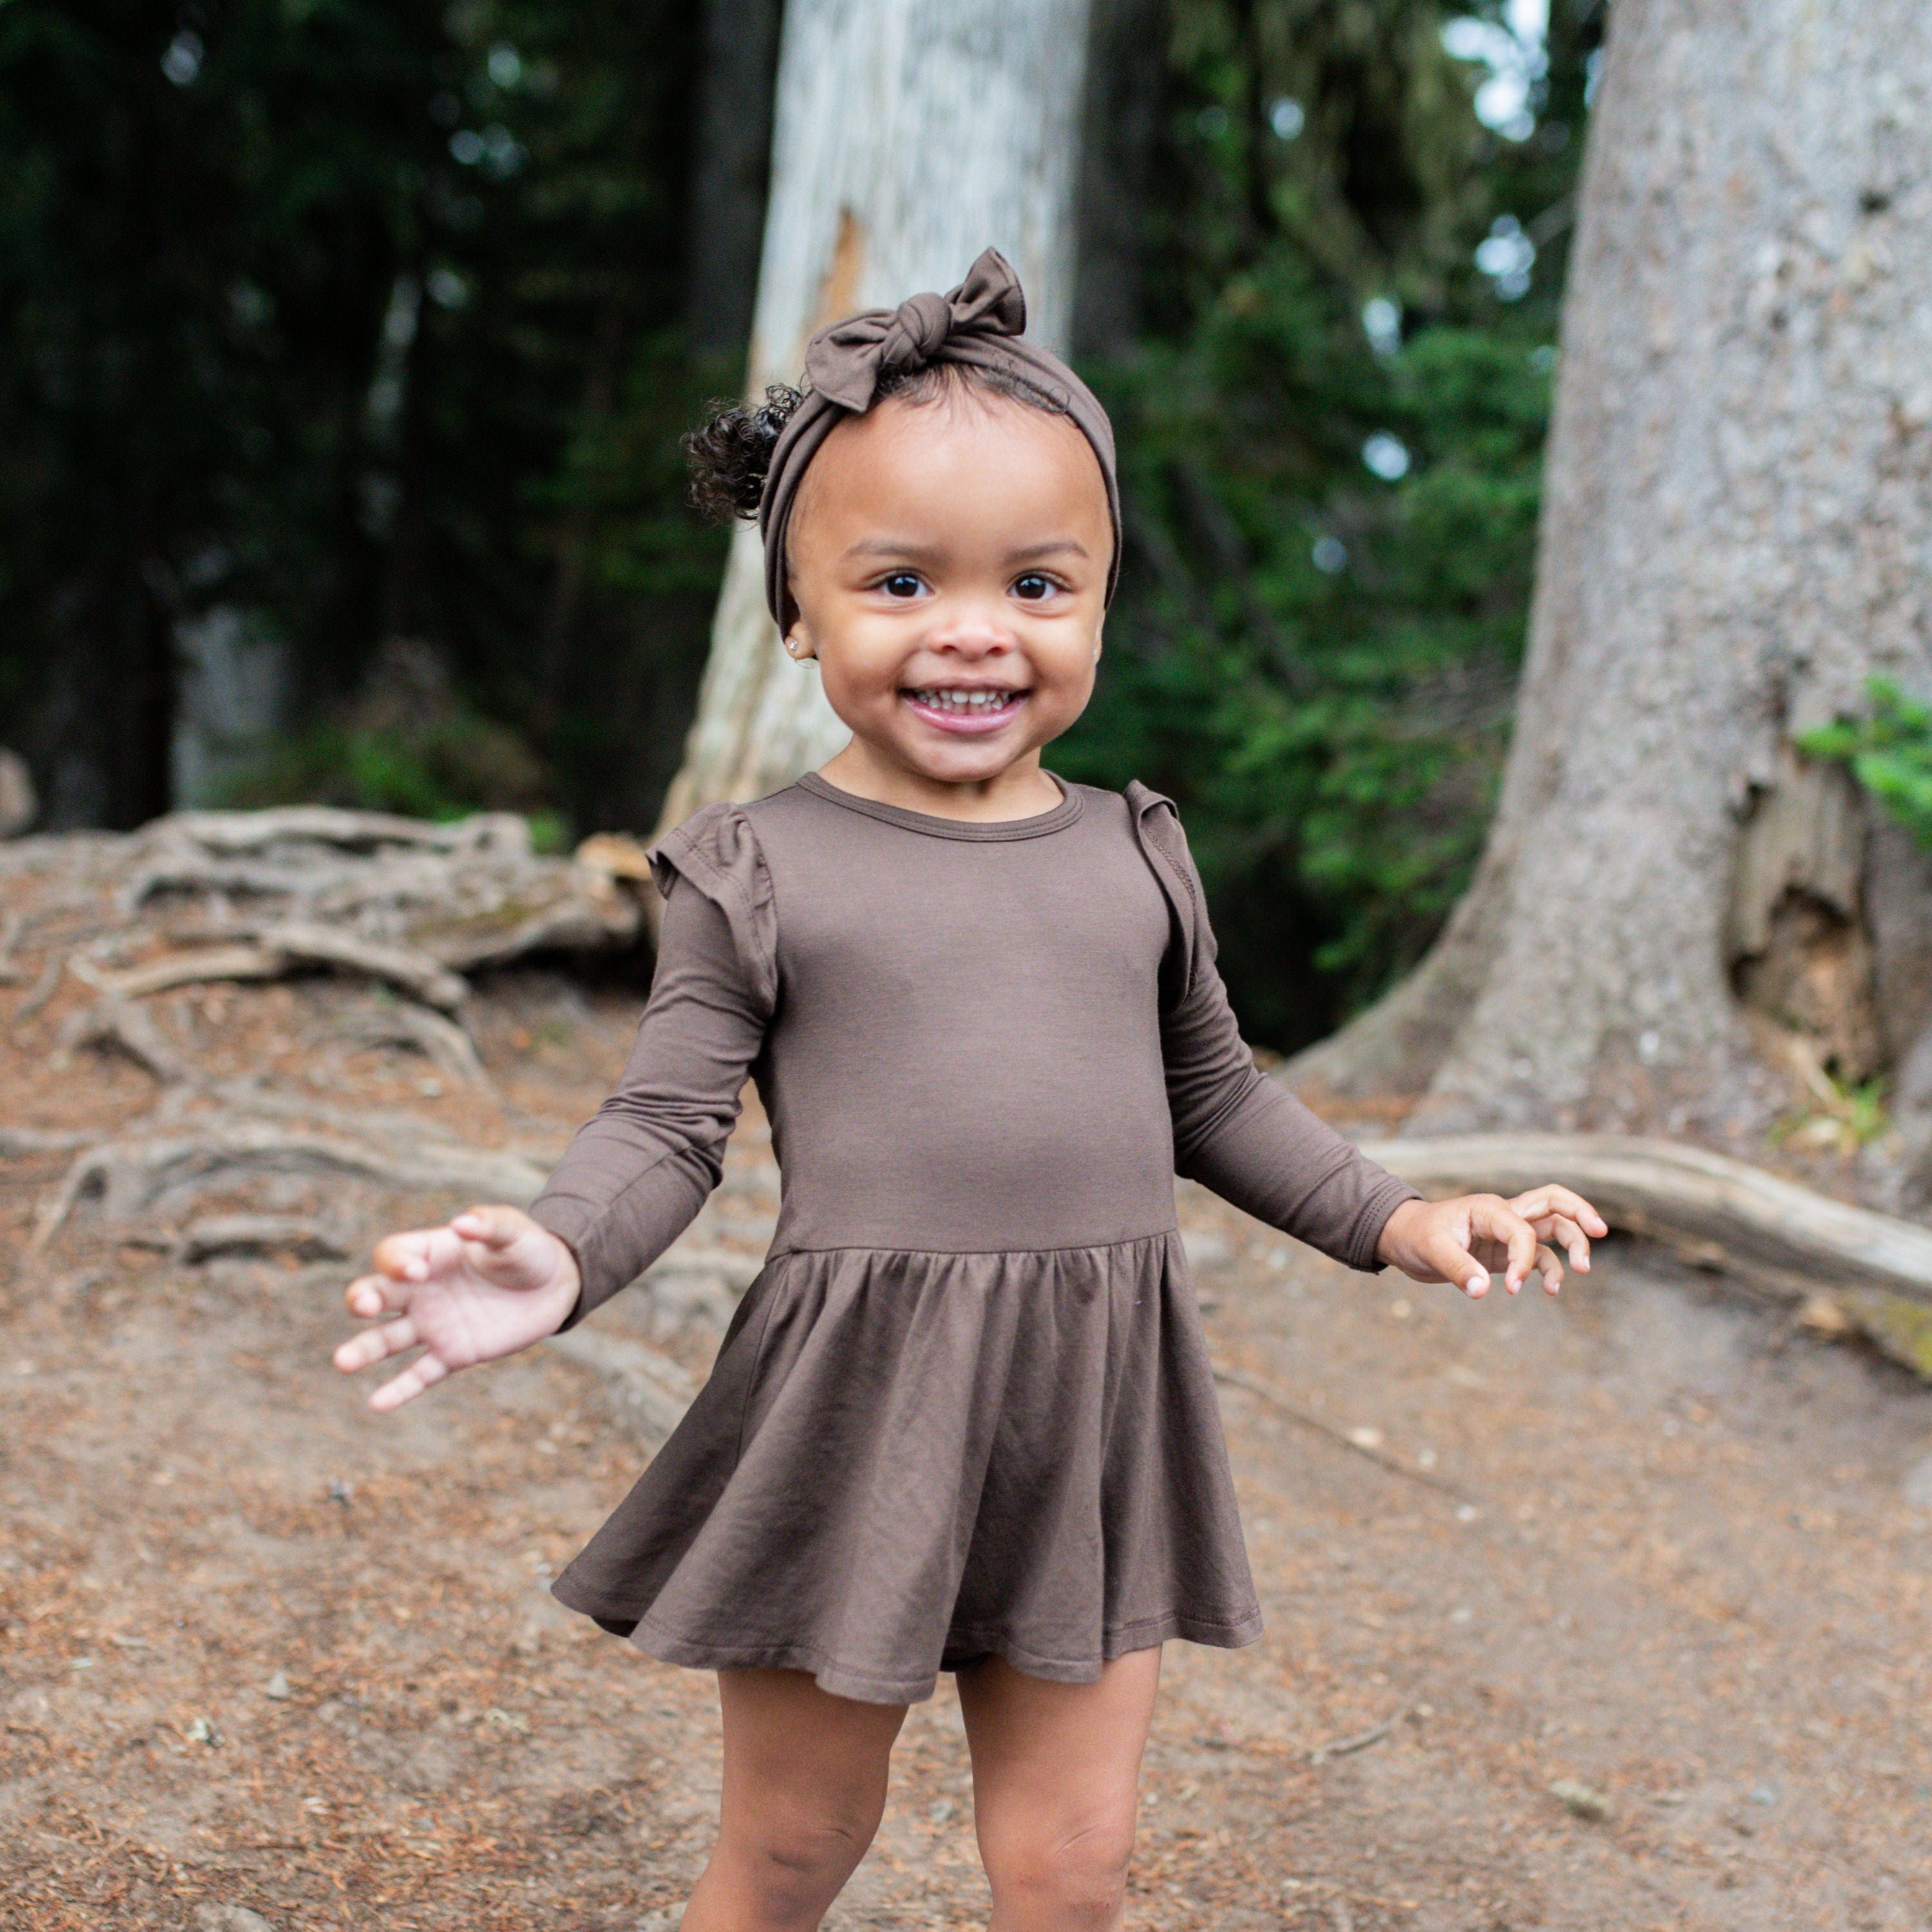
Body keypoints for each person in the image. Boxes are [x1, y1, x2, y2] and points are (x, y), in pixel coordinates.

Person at [333, 249, 1606, 1932]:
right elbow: (666, 1127)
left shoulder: (1135, 851)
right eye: (903, 583)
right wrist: (559, 1258)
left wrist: (1405, 1216)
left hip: (1094, 1405)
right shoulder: (757, 866)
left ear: (1098, 603)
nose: (976, 634)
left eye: (1039, 583)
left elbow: (1212, 1097)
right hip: (858, 1402)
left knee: (1071, 1873)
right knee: (792, 1855)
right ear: (796, 611)